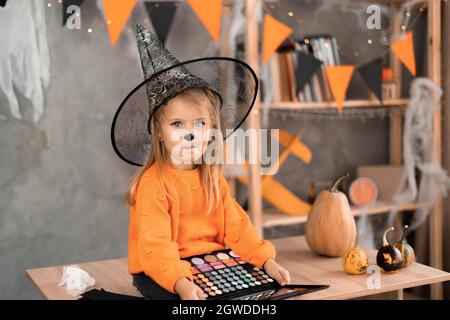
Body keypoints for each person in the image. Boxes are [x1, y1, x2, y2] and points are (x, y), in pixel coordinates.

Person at [111, 25, 290, 300]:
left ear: (211, 131)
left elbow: (237, 227)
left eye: (200, 123)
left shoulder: (212, 178)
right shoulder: (153, 184)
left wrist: (266, 261)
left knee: (257, 295)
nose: (190, 133)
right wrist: (181, 283)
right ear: (158, 132)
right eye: (177, 124)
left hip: (213, 261)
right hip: (161, 270)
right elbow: (156, 247)